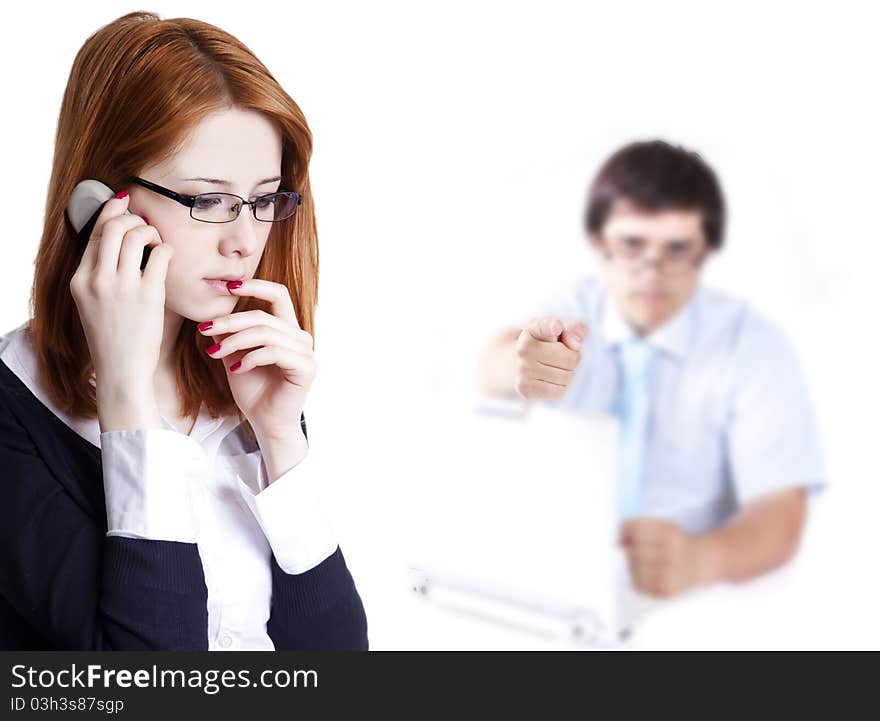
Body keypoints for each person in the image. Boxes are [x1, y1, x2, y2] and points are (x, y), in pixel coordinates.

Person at [0, 11, 368, 650]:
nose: (244, 240)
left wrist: (281, 440)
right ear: (103, 204)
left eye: (263, 199)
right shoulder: (13, 411)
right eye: (208, 201)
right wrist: (127, 401)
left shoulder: (243, 384)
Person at [479, 139, 825, 599]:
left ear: (706, 251)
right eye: (631, 244)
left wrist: (704, 558)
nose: (651, 270)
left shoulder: (756, 347)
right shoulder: (574, 308)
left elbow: (782, 511)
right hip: (552, 587)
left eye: (677, 248)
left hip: (689, 605)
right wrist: (523, 364)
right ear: (598, 244)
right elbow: (495, 361)